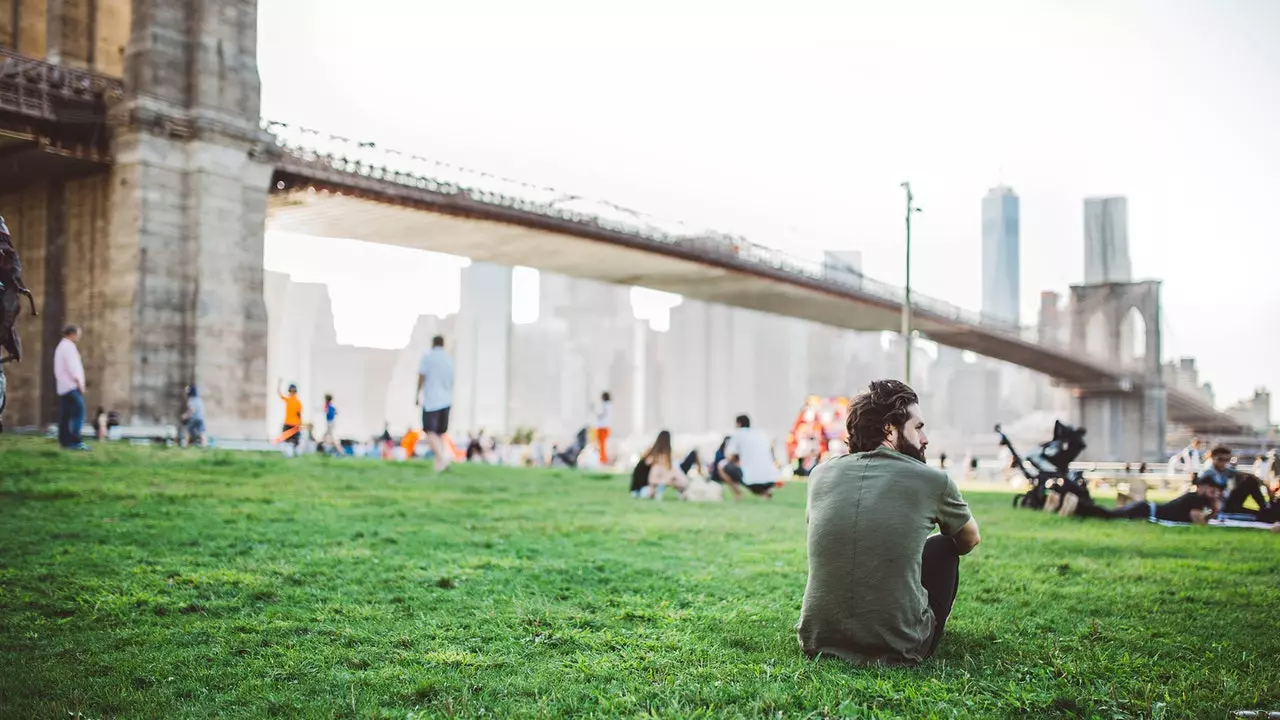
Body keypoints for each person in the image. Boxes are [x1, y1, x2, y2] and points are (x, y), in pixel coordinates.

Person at [797, 379, 980, 666]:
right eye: (918, 427)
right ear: (889, 428)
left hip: (818, 639)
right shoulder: (932, 480)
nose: (925, 438)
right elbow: (969, 540)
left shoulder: (820, 474)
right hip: (901, 645)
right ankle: (911, 627)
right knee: (944, 546)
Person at [1107, 476, 1222, 524]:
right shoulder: (1196, 499)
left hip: (1147, 508)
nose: (1214, 492)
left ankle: (1124, 499)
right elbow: (1199, 522)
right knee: (1109, 516)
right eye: (1211, 488)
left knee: (1111, 516)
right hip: (1147, 510)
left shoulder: (1194, 497)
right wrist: (1214, 510)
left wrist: (1212, 512)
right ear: (1202, 487)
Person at [416, 334, 455, 473]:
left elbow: (422, 376)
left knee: (430, 432)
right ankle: (439, 466)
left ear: (433, 343)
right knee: (439, 433)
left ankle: (443, 458)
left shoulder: (428, 357)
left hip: (432, 400)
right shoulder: (449, 359)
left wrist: (417, 393)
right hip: (446, 400)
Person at [716, 414, 778, 499]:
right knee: (752, 472)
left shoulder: (738, 435)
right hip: (771, 479)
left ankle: (738, 494)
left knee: (721, 465)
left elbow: (729, 457)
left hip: (751, 480)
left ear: (738, 424)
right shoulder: (761, 434)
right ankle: (765, 492)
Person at [53, 324, 89, 451]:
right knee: (79, 411)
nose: (79, 336)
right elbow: (73, 367)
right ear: (72, 334)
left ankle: (65, 441)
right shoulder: (69, 347)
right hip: (71, 386)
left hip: (63, 386)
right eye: (78, 334)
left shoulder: (61, 346)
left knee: (66, 415)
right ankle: (75, 441)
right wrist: (80, 383)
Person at [277, 379, 302, 452]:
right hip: (287, 423)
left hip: (294, 424)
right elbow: (279, 393)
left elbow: (299, 415)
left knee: (295, 441)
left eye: (293, 391)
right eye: (291, 391)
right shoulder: (288, 400)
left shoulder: (298, 402)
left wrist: (300, 424)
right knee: (285, 440)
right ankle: (288, 452)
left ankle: (295, 453)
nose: (292, 392)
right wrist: (279, 383)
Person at [595, 391, 612, 466]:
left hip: (603, 427)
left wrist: (596, 412)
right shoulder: (608, 405)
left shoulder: (606, 405)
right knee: (602, 444)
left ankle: (603, 459)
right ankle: (603, 459)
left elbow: (602, 415)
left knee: (602, 444)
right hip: (605, 427)